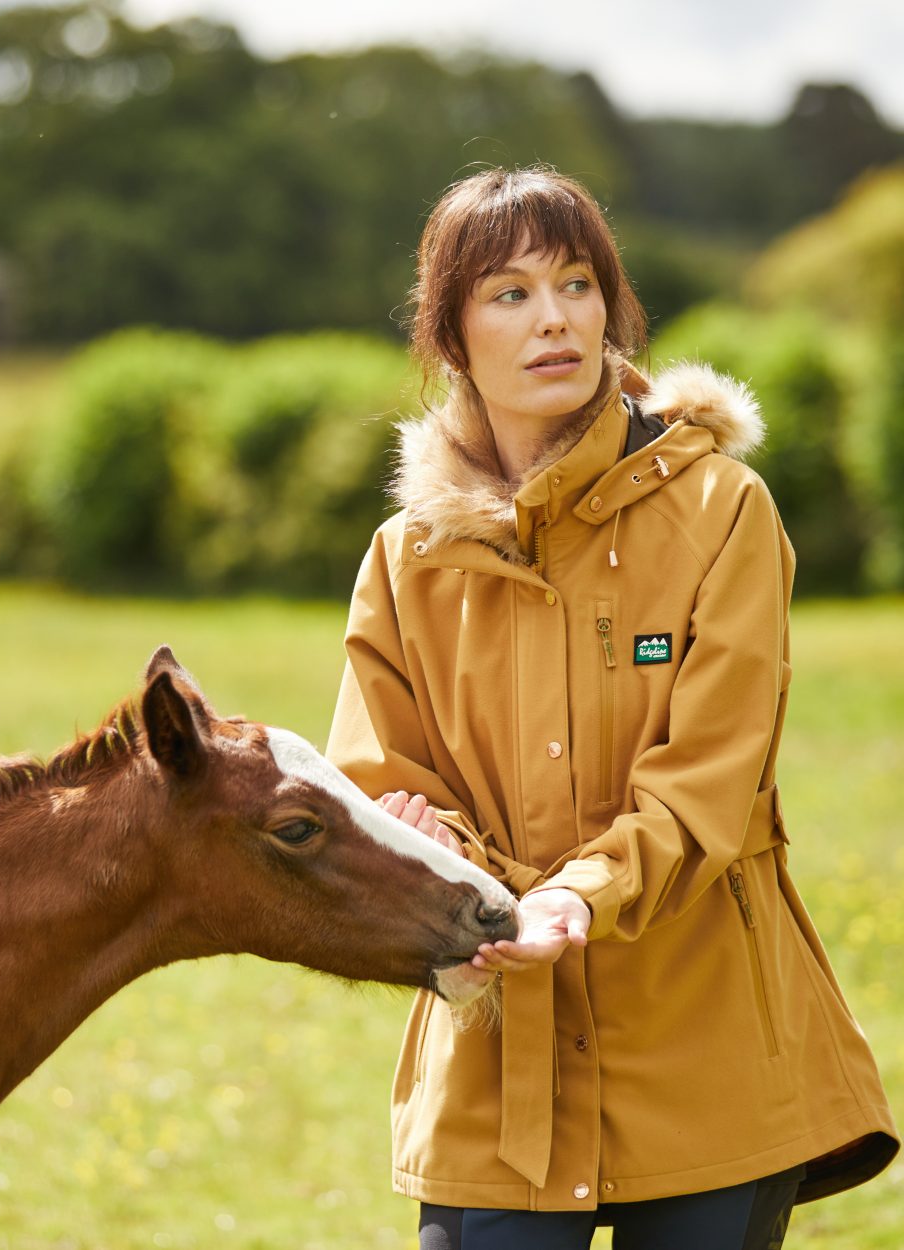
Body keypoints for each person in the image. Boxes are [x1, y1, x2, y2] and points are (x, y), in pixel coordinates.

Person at [326, 166, 898, 1250]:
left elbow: (710, 781)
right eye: (509, 292)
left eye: (577, 282)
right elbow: (379, 771)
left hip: (705, 1054)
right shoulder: (404, 558)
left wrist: (579, 897)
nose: (554, 318)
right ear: (448, 335)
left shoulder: (722, 509)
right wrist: (421, 835)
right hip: (493, 1061)